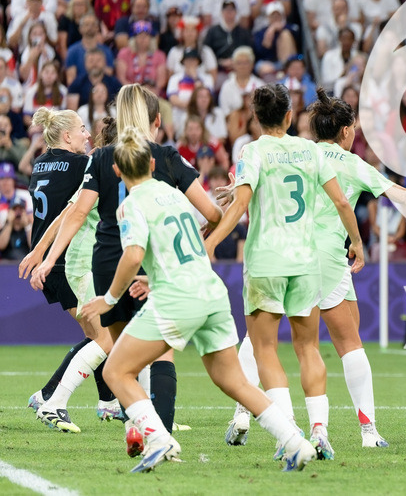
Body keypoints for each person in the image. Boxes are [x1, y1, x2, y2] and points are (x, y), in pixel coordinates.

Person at [226, 89, 406, 448]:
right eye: (353, 127)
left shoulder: (295, 152)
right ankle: (367, 432)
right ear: (345, 132)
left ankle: (244, 414)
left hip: (285, 253)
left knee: (261, 337)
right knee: (348, 343)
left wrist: (232, 192)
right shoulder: (350, 164)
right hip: (326, 258)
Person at [78, 124, 318, 473]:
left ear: (116, 170)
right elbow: (189, 239)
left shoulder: (129, 207)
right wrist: (153, 275)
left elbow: (131, 255)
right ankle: (295, 442)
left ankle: (158, 438)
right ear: (151, 165)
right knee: (233, 380)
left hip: (179, 298)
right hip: (211, 291)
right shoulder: (174, 194)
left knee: (116, 370)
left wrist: (109, 299)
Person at [26, 84, 224, 456]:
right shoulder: (165, 157)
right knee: (156, 350)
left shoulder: (101, 158)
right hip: (150, 261)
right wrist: (204, 237)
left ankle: (137, 424)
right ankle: (155, 433)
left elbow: (78, 212)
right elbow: (212, 213)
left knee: (119, 353)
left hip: (105, 261)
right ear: (157, 120)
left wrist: (48, 258)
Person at [204, 84, 365, 461]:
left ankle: (289, 434)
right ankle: (320, 432)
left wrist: (210, 244)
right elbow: (341, 200)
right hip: (306, 264)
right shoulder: (310, 150)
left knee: (265, 349)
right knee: (308, 347)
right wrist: (355, 240)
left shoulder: (253, 151)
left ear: (255, 119)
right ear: (290, 117)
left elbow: (241, 202)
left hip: (266, 264)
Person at [18, 108, 113, 433]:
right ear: (68, 136)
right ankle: (49, 398)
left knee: (97, 335)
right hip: (65, 260)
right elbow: (74, 210)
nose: (88, 135)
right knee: (103, 336)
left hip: (49, 259)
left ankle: (108, 403)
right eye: (83, 129)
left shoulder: (40, 164)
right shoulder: (80, 164)